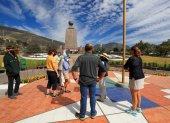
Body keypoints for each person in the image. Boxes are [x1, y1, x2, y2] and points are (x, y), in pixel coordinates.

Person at [71, 44, 106, 120]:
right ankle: (93, 113)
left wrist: (75, 78)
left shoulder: (81, 57)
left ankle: (82, 115)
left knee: (83, 98)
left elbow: (74, 68)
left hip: (83, 81)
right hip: (93, 81)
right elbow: (104, 70)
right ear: (92, 49)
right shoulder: (96, 58)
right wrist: (100, 78)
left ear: (85, 49)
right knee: (92, 97)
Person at [124, 46, 145, 116]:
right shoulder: (140, 58)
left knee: (133, 94)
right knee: (138, 92)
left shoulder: (131, 58)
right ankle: (138, 107)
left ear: (133, 51)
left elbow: (125, 67)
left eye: (131, 50)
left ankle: (133, 109)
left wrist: (128, 69)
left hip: (134, 78)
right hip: (141, 77)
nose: (130, 52)